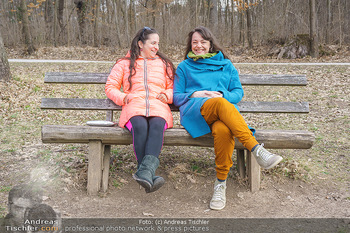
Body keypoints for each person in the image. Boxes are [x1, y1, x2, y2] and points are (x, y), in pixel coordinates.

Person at [173, 26, 283, 210]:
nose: (198, 45)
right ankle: (256, 149)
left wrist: (222, 96)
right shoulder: (184, 67)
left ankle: (220, 184)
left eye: (203, 42)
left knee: (223, 129)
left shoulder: (226, 65)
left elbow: (238, 92)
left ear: (210, 44)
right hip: (196, 112)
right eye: (194, 42)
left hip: (222, 115)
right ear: (190, 45)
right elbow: (176, 96)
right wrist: (199, 94)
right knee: (219, 103)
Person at [105, 27, 175, 193]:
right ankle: (148, 173)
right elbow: (110, 87)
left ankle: (144, 173)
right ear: (140, 44)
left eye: (158, 43)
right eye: (153, 43)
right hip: (134, 106)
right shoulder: (124, 64)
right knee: (140, 126)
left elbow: (174, 87)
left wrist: (168, 94)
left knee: (157, 125)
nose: (156, 47)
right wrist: (122, 97)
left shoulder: (164, 64)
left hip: (158, 106)